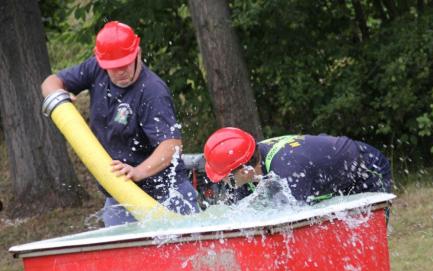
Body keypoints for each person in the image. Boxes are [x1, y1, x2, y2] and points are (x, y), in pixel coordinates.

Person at [41, 21, 199, 226]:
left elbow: (171, 146)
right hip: (120, 195)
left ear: (138, 52)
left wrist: (137, 172)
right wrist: (57, 96)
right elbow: (50, 82)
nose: (120, 72)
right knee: (121, 254)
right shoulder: (95, 67)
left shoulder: (152, 91)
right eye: (113, 68)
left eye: (126, 63)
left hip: (167, 195)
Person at [203, 127, 392, 204]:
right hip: (329, 177)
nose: (225, 182)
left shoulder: (288, 169)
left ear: (244, 170)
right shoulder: (251, 165)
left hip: (366, 170)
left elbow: (294, 222)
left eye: (227, 176)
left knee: (365, 246)